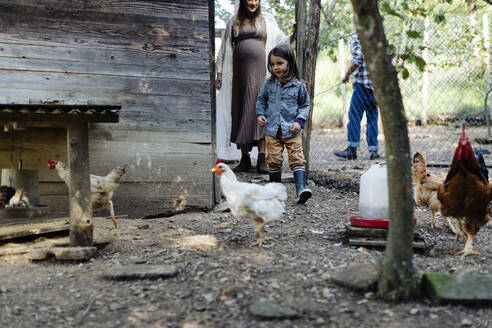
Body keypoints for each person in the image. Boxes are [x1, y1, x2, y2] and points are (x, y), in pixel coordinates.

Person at [215, 0, 294, 173]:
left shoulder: (267, 20)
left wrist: (293, 36)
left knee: (261, 110)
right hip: (240, 76)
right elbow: (224, 48)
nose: (253, 2)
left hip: (261, 75)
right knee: (241, 111)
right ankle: (244, 160)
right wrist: (219, 71)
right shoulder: (233, 20)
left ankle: (262, 161)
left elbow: (281, 40)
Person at [256, 44, 312, 204]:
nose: (275, 67)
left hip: (292, 130)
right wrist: (260, 114)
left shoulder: (299, 86)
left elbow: (305, 105)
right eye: (272, 64)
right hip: (273, 130)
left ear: (290, 62)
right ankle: (275, 193)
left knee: (296, 158)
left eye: (279, 63)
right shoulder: (268, 84)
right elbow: (261, 99)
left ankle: (301, 189)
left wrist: (299, 122)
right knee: (273, 160)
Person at [334, 34, 380, 160]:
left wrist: (347, 75)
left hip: (362, 85)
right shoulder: (377, 36)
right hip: (376, 86)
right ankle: (373, 151)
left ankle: (352, 149)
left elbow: (358, 58)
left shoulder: (358, 37)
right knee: (372, 118)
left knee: (354, 116)